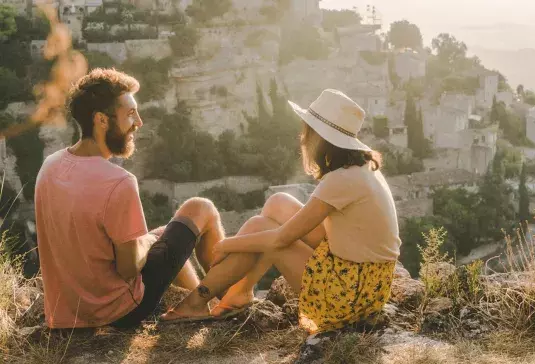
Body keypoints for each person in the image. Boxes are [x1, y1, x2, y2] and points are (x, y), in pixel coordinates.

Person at [160, 89, 402, 334]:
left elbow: (280, 239)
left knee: (263, 229)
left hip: (348, 298)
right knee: (278, 203)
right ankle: (238, 293)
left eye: (307, 129)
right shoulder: (361, 169)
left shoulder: (342, 179)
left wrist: (227, 245)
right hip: (367, 283)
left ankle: (198, 301)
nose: (302, 136)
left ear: (319, 137)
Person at [34, 68, 226, 329]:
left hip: (67, 315)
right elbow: (129, 269)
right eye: (130, 114)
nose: (139, 122)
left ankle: (199, 305)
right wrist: (147, 240)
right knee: (201, 208)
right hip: (117, 311)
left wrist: (148, 239)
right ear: (102, 120)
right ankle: (229, 301)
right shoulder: (119, 182)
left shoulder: (49, 166)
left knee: (161, 236)